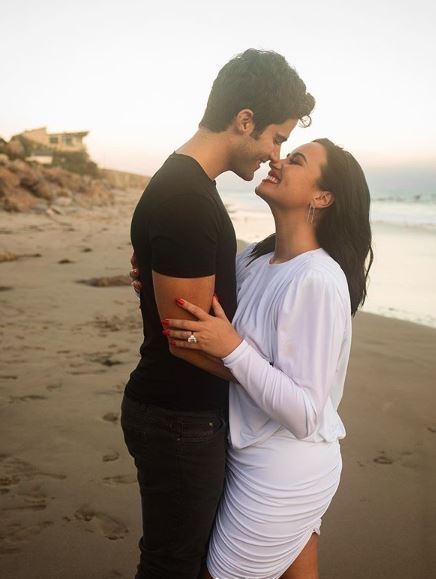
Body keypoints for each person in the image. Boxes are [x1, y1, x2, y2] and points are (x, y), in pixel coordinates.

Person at [122, 48, 315, 579]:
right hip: (178, 418)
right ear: (244, 120)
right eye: (277, 137)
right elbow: (186, 339)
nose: (275, 154)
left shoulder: (189, 188)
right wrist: (273, 383)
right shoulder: (185, 198)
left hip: (180, 416)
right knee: (173, 565)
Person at [161, 138, 374, 579]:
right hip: (250, 451)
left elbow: (305, 413)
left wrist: (233, 348)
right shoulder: (256, 258)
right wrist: (159, 282)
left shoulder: (316, 279)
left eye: (296, 160)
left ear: (323, 197)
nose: (277, 159)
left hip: (284, 470)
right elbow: (202, 315)